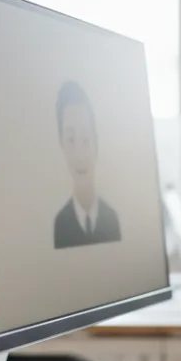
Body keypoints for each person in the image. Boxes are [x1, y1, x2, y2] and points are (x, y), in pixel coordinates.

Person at [53, 80, 121, 249]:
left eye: (86, 139)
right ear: (61, 144)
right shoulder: (60, 224)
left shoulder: (112, 219)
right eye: (71, 140)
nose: (80, 153)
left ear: (96, 142)